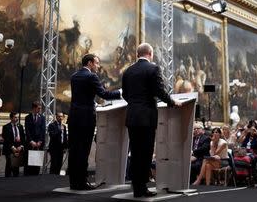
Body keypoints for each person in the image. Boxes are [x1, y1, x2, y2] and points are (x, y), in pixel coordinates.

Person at [122, 43, 182, 198]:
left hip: (132, 116)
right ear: (150, 53)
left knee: (135, 153)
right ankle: (142, 189)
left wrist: (135, 104)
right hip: (146, 117)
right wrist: (172, 102)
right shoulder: (153, 69)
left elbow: (125, 95)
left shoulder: (128, 71)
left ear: (137, 54)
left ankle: (137, 188)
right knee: (146, 152)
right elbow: (159, 91)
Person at [68, 53, 121, 190]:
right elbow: (104, 94)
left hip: (74, 118)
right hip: (86, 119)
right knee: (84, 151)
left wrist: (92, 102)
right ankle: (82, 182)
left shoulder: (74, 76)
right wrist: (120, 93)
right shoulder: (91, 76)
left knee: (74, 151)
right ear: (90, 63)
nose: (98, 66)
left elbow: (82, 96)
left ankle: (74, 182)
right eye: (97, 63)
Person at [24, 101, 46, 175]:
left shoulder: (42, 118)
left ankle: (36, 177)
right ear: (33, 108)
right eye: (38, 108)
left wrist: (40, 141)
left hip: (39, 144)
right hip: (30, 143)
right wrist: (31, 141)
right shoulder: (28, 117)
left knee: (37, 164)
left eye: (40, 108)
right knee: (29, 164)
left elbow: (43, 130)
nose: (40, 110)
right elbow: (27, 131)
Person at [2, 112, 25, 177]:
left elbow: (23, 138)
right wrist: (13, 148)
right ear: (11, 118)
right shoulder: (6, 127)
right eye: (15, 117)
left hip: (19, 149)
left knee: (16, 168)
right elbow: (6, 140)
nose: (17, 119)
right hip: (10, 150)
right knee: (9, 166)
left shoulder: (20, 126)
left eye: (17, 117)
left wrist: (21, 146)